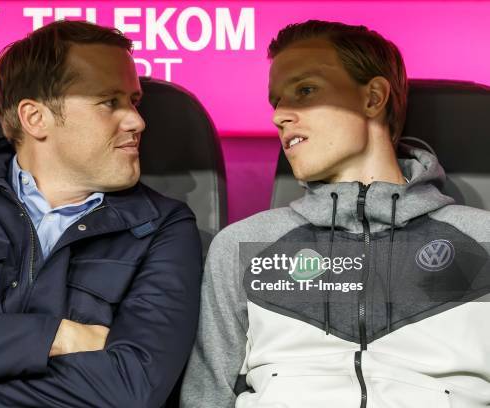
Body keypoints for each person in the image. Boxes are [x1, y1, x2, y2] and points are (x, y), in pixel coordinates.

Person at [0, 20, 202, 407]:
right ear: (35, 118)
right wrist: (60, 336)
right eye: (109, 102)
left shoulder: (164, 227)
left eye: (132, 102)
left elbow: (131, 388)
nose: (137, 120)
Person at [181, 20, 490, 407]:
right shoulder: (243, 245)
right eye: (276, 102)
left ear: (373, 98)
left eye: (305, 91)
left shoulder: (483, 240)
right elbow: (206, 397)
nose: (279, 116)